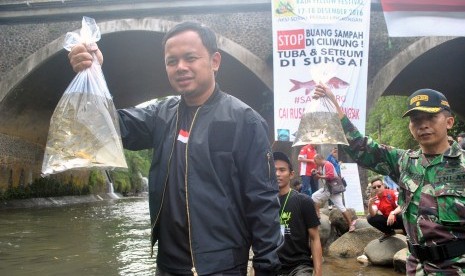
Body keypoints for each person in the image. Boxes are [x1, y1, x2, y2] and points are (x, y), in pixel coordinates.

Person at [69, 21, 283, 275]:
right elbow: (110, 128)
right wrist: (92, 73)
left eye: (190, 58)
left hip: (221, 266)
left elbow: (262, 200)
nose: (181, 67)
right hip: (168, 265)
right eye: (172, 61)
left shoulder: (244, 120)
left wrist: (267, 266)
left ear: (215, 61)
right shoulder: (161, 114)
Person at [314, 84, 465, 275]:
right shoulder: (404, 162)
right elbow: (360, 147)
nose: (423, 125)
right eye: (416, 120)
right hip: (416, 268)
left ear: (449, 122)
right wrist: (332, 101)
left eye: (432, 117)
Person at [273, 152, 322, 276]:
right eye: (274, 170)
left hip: (298, 266)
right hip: (272, 265)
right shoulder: (264, 204)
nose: (277, 174)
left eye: (282, 170)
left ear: (291, 174)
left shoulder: (304, 201)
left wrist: (318, 272)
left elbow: (315, 238)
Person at [311, 154, 355, 232]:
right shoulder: (323, 166)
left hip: (333, 190)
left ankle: (351, 225)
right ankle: (317, 215)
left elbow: (330, 176)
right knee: (314, 196)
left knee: (341, 207)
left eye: (315, 160)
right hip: (328, 189)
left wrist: (320, 176)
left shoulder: (328, 164)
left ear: (319, 158)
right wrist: (316, 173)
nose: (314, 162)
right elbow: (322, 175)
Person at [366, 175, 404, 242]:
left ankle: (407, 233)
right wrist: (370, 205)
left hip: (400, 220)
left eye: (379, 186)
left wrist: (393, 213)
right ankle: (389, 232)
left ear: (383, 185)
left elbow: (402, 206)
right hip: (389, 222)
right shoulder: (375, 199)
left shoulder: (393, 192)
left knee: (400, 215)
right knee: (370, 218)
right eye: (374, 187)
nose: (377, 188)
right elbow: (373, 214)